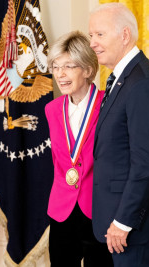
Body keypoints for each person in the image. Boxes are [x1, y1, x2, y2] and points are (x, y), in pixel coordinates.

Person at [89, 3, 149, 267]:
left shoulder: (142, 83)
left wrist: (123, 222)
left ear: (125, 35)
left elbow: (147, 161)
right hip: (119, 223)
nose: (93, 43)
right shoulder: (124, 78)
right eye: (91, 35)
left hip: (133, 227)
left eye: (100, 35)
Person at [45, 31, 113, 267]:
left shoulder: (109, 105)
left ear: (87, 70)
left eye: (69, 66)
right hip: (62, 211)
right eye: (56, 67)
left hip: (99, 212)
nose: (60, 74)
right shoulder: (52, 109)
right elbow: (57, 161)